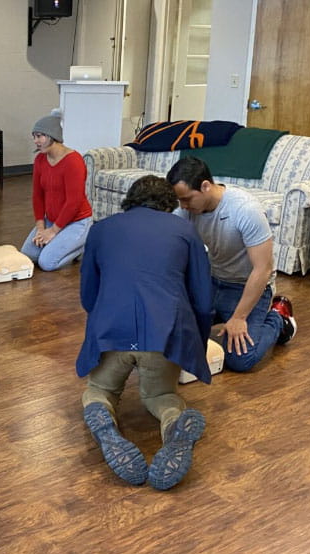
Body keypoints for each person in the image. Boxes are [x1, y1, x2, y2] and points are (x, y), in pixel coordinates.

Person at [77, 175, 213, 490]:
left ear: (129, 200)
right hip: (165, 332)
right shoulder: (185, 231)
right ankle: (174, 424)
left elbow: (88, 296)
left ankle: (104, 424)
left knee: (100, 389)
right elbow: (203, 300)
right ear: (168, 205)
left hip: (112, 330)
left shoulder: (101, 229)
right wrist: (196, 344)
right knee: (161, 395)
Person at [166, 156, 296, 373]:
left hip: (246, 286)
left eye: (187, 199)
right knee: (174, 335)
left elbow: (263, 269)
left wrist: (239, 317)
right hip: (212, 281)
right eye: (179, 200)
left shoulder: (245, 210)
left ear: (205, 186)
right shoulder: (185, 210)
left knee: (241, 360)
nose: (182, 206)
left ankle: (278, 317)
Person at [20, 110, 93, 271]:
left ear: (52, 135)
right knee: (28, 255)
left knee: (47, 263)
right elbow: (37, 195)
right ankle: (63, 244)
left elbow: (74, 202)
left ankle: (80, 248)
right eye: (34, 136)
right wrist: (41, 228)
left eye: (39, 136)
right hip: (51, 220)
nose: (35, 141)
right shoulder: (40, 159)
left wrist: (53, 231)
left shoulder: (73, 162)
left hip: (77, 222)